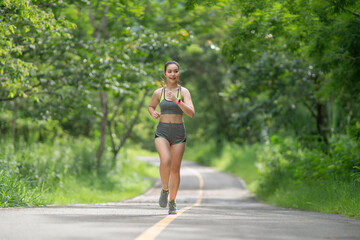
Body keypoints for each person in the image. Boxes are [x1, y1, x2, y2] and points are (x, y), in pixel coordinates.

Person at [148, 61, 195, 214]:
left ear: (178, 73)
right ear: (165, 74)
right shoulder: (158, 92)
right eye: (170, 71)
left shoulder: (184, 92)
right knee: (165, 160)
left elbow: (191, 113)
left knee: (175, 168)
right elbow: (151, 106)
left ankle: (173, 201)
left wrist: (177, 100)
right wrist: (153, 112)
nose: (173, 74)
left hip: (178, 132)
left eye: (175, 71)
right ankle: (164, 189)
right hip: (162, 130)